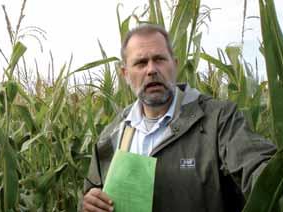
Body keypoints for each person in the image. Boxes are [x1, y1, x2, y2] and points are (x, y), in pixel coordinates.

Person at [82, 24, 276, 212]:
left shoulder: (218, 119)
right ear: (125, 73)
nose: (151, 70)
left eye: (159, 59)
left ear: (174, 65)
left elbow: (261, 170)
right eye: (141, 63)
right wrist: (88, 204)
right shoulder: (112, 134)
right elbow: (91, 193)